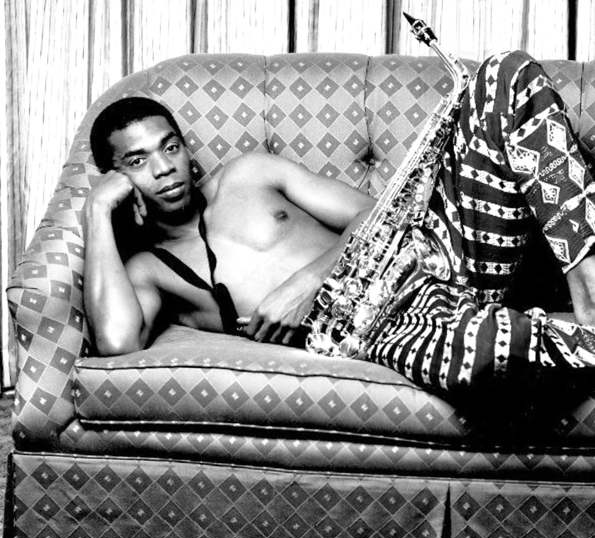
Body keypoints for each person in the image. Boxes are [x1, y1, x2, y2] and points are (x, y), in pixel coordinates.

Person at [83, 50, 595, 397]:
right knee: (481, 358)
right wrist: (97, 213)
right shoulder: (148, 269)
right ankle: (561, 334)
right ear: (115, 177)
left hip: (441, 250)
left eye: (171, 147)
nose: (164, 168)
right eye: (138, 161)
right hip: (386, 324)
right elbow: (117, 343)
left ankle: (589, 296)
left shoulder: (248, 174)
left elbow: (376, 213)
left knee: (505, 73)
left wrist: (308, 281)